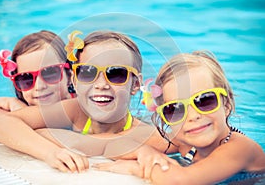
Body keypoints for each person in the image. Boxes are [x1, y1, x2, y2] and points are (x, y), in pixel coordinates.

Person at [0, 30, 167, 173]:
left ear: (135, 84)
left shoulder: (145, 132)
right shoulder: (75, 110)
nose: (101, 85)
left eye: (116, 74)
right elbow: (1, 124)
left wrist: (53, 136)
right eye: (87, 73)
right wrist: (50, 152)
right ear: (74, 80)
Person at [93, 50, 265, 184]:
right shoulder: (182, 142)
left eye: (204, 100)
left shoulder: (241, 149)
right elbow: (107, 142)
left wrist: (137, 168)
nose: (193, 116)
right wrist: (142, 151)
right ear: (164, 119)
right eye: (174, 109)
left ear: (226, 105)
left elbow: (180, 181)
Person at [0, 30, 75, 123]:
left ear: (70, 75)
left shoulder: (82, 105)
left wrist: (21, 112)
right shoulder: (23, 105)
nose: (39, 86)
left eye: (50, 73)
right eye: (26, 78)